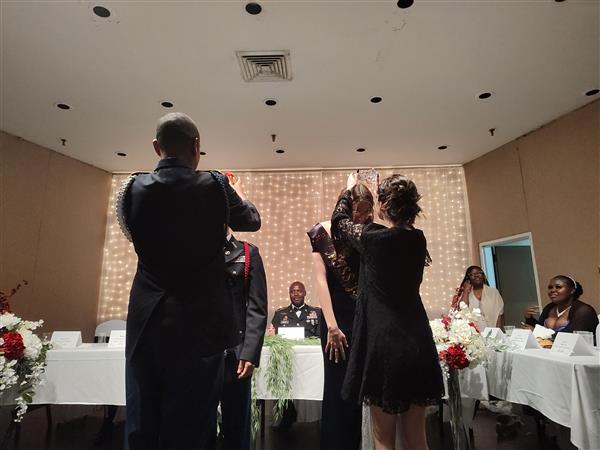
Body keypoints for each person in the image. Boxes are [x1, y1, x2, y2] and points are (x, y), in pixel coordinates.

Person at [117, 112, 261, 450]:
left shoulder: (131, 187)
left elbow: (130, 232)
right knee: (193, 427)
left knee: (143, 424)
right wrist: (238, 193)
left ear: (157, 147)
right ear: (196, 146)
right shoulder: (215, 185)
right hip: (199, 328)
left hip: (146, 326)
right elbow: (251, 221)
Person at [333, 173, 443, 450]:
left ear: (382, 207)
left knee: (383, 440)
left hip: (384, 344)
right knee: (418, 438)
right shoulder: (418, 240)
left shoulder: (373, 238)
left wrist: (348, 193)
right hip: (418, 340)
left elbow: (339, 223)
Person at [307, 182, 374, 450]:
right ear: (345, 205)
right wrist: (332, 326)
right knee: (337, 386)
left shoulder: (367, 233)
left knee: (365, 385)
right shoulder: (321, 232)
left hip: (366, 317)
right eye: (359, 211)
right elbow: (321, 280)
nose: (362, 217)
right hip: (335, 319)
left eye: (368, 212)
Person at [209, 229, 268, 450]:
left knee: (237, 429)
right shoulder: (196, 252)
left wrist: (250, 353)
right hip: (203, 355)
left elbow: (257, 308)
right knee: (200, 428)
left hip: (236, 357)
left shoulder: (247, 253)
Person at [521, 275, 598, 335]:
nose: (553, 290)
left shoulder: (584, 311)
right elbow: (540, 328)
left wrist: (537, 332)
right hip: (550, 351)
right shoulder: (549, 307)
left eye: (558, 287)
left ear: (572, 290)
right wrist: (529, 318)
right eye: (550, 287)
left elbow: (572, 337)